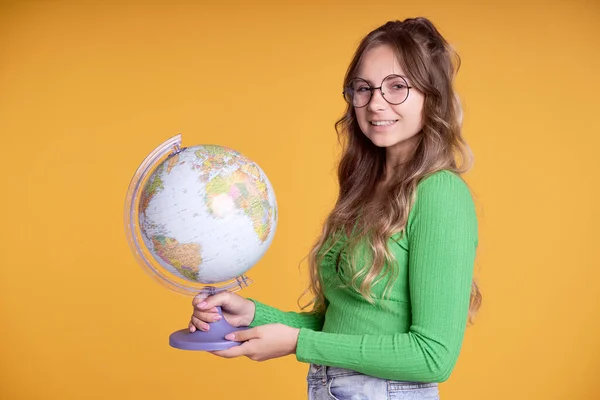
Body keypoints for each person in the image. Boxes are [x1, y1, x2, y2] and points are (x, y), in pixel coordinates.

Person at [189, 16, 481, 400]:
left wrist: (297, 343)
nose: (376, 103)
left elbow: (433, 356)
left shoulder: (439, 193)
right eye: (364, 88)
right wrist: (253, 316)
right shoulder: (365, 190)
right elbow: (344, 324)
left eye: (397, 87)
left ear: (433, 95)